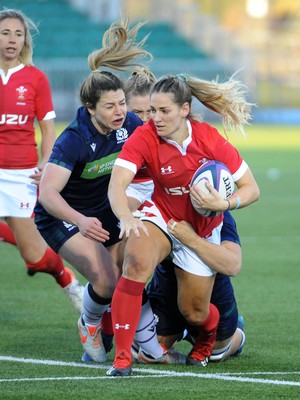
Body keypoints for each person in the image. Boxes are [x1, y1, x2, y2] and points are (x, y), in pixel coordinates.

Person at [107, 72, 260, 376]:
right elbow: (117, 184)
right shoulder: (145, 135)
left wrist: (225, 204)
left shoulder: (208, 139)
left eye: (163, 111)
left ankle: (206, 338)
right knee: (135, 261)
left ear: (184, 110)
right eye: (152, 110)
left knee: (194, 311)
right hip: (162, 215)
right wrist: (126, 216)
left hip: (201, 228)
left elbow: (251, 189)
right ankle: (121, 359)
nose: (155, 118)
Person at [34, 18, 155, 363]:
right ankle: (88, 322)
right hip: (63, 217)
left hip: (102, 212)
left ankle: (139, 337)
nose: (120, 112)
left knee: (133, 268)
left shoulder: (129, 123)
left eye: (122, 103)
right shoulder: (73, 139)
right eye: (110, 106)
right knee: (106, 280)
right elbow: (48, 195)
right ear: (90, 109)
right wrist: (81, 221)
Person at [0, 8, 84, 313]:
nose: (12, 39)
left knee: (35, 257)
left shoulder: (35, 79)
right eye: (5, 32)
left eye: (18, 34)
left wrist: (45, 163)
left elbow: (48, 129)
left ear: (25, 40)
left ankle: (65, 278)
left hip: (21, 175)